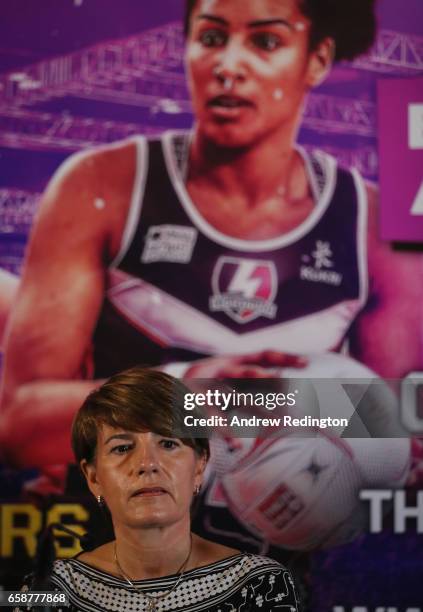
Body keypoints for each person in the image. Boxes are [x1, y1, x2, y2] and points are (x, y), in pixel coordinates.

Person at [0, 0, 422, 471]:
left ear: (318, 59)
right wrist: (181, 398)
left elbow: (397, 432)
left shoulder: (375, 227)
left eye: (265, 42)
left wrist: (370, 451)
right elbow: (19, 421)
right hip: (116, 537)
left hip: (286, 541)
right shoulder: (99, 186)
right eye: (211, 38)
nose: (228, 65)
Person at [14, 367, 300, 612]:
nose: (147, 464)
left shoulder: (262, 585)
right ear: (93, 477)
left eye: (168, 444)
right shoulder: (47, 592)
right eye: (122, 448)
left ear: (199, 466)